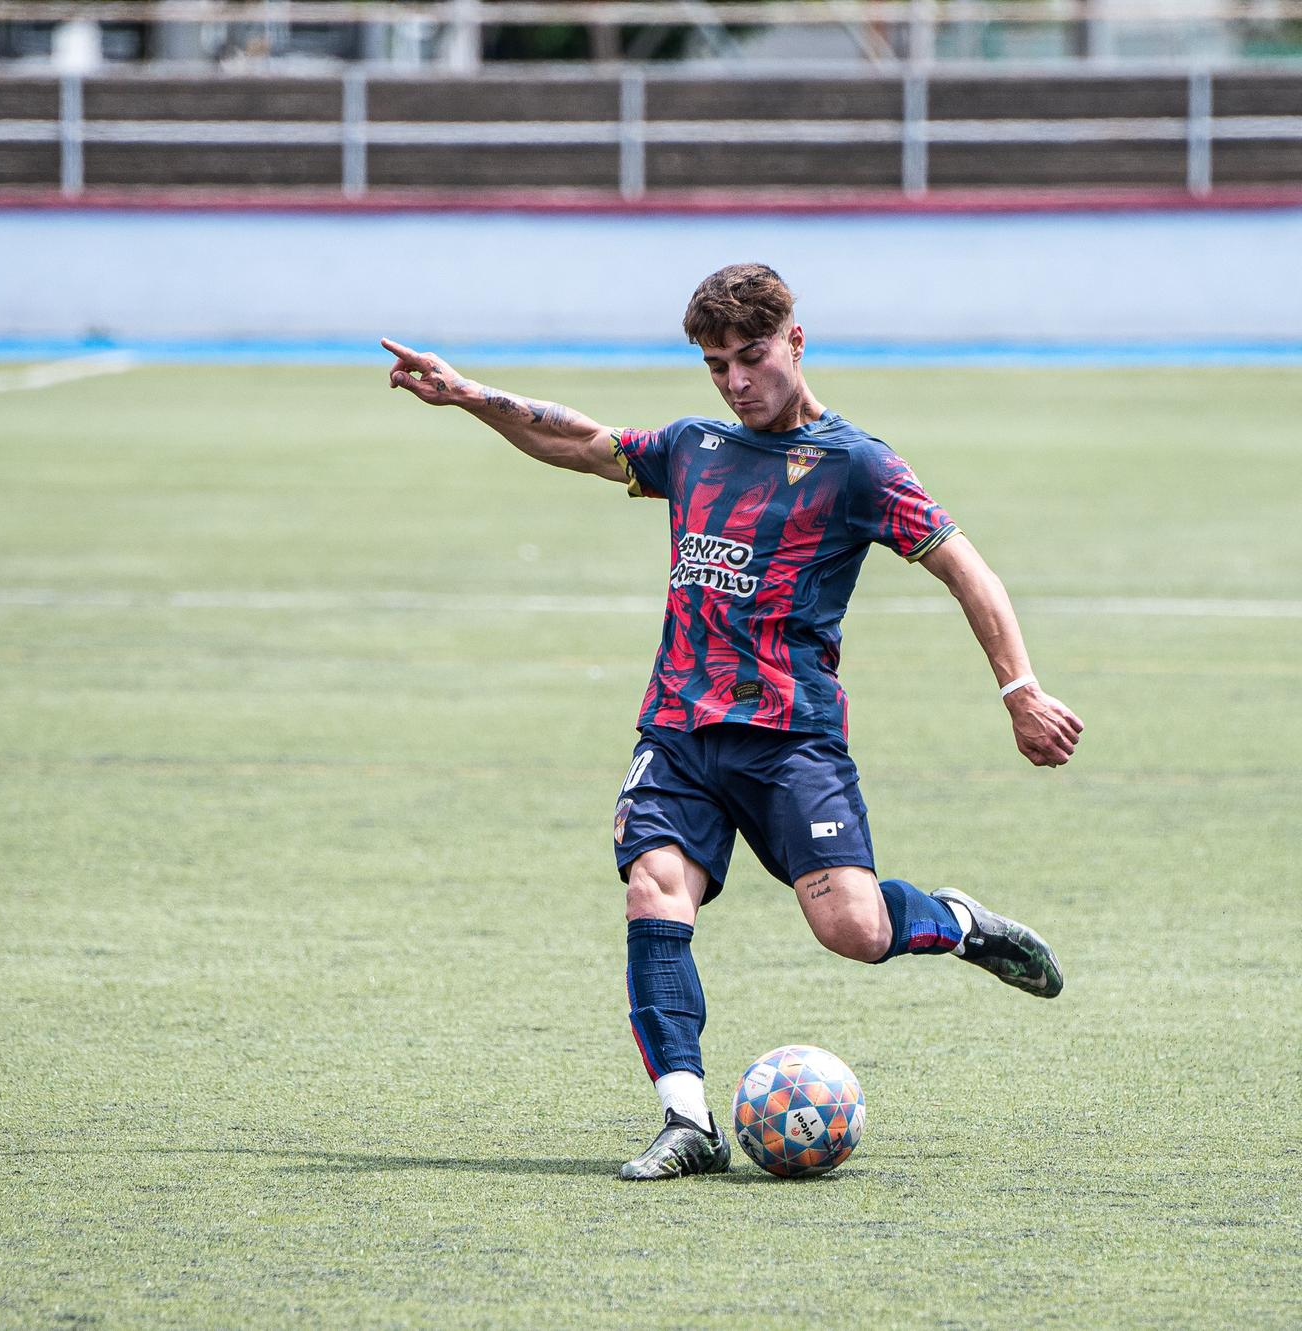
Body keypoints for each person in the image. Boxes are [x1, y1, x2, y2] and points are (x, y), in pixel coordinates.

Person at [383, 263, 1082, 1181]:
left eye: (750, 357)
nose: (735, 381)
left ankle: (958, 923)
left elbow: (966, 569)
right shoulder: (695, 447)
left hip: (792, 737)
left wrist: (1019, 690)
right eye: (716, 364)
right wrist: (469, 395)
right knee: (653, 889)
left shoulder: (857, 465)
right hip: (678, 730)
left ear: (795, 340)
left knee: (853, 930)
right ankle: (688, 1121)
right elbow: (582, 441)